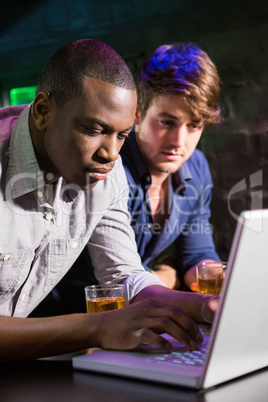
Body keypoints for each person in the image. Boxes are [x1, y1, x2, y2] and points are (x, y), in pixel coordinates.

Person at [0, 39, 217, 362]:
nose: (111, 154)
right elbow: (100, 316)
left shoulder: (104, 169)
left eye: (122, 135)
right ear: (43, 110)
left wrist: (204, 307)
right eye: (95, 130)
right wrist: (98, 327)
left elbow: (124, 275)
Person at [120, 42, 223, 290]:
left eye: (194, 126)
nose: (179, 142)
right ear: (137, 113)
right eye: (167, 122)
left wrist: (229, 282)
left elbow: (196, 256)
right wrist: (163, 279)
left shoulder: (195, 167)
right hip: (72, 313)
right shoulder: (111, 167)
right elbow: (113, 273)